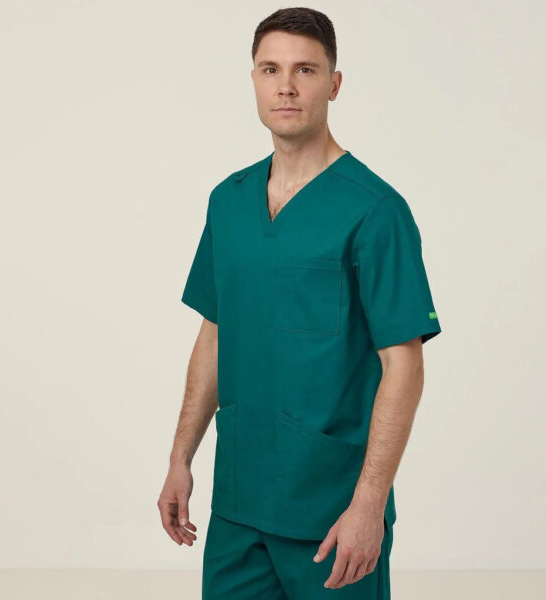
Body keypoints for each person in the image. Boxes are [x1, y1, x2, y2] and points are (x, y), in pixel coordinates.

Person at [157, 7, 442, 599]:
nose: (285, 86)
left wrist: (369, 505)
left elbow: (404, 365)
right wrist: (181, 457)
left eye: (305, 70)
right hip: (237, 507)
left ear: (334, 84)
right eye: (271, 69)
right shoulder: (229, 201)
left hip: (330, 513)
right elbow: (215, 334)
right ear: (254, 80)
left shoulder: (376, 211)